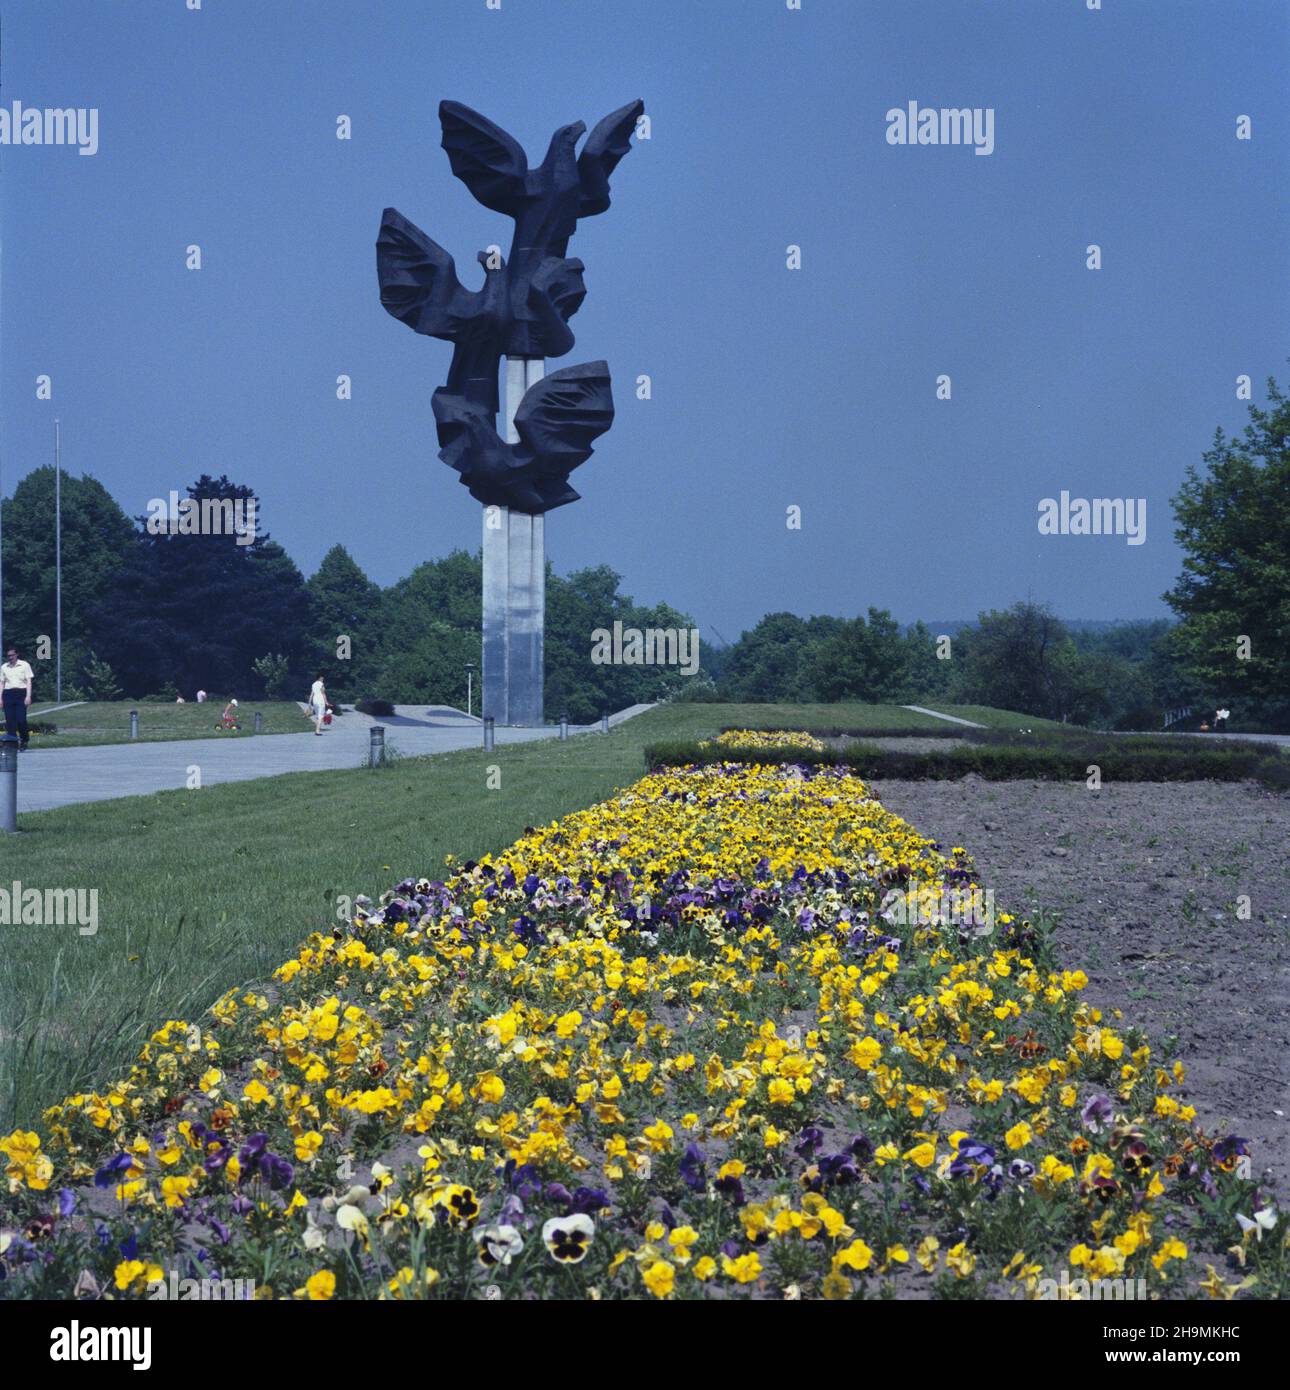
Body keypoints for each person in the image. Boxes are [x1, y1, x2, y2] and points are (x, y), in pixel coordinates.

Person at [1, 645, 34, 750]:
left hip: (21, 693)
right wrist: (0, 698)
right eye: (8, 656)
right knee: (10, 720)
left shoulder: (24, 665)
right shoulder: (4, 667)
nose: (10, 657)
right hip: (8, 693)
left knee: (21, 719)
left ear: (17, 654)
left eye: (12, 655)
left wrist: (28, 696)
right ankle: (12, 742)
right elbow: (2, 683)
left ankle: (24, 740)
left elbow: (28, 681)